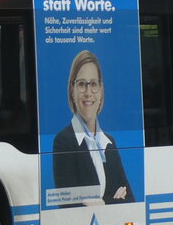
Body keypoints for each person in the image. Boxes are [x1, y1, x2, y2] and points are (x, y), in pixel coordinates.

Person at [52, 50, 134, 204]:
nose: (89, 92)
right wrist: (113, 201)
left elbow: (130, 200)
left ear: (101, 91)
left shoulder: (109, 143)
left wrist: (101, 203)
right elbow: (69, 204)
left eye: (94, 84)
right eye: (82, 84)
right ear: (72, 90)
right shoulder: (63, 141)